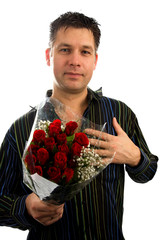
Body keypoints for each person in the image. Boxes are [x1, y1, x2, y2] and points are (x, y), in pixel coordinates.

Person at [0, 12, 158, 240]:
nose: (75, 60)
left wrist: (135, 157)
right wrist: (25, 205)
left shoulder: (120, 114)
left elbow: (148, 172)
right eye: (65, 50)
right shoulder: (22, 128)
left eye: (85, 51)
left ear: (94, 60)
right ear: (49, 55)